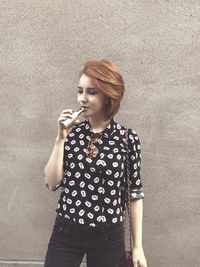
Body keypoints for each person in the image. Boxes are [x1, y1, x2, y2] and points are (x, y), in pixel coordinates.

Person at [43, 59, 147, 267]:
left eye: (91, 92)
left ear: (109, 95)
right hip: (67, 230)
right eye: (80, 91)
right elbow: (52, 182)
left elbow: (134, 195)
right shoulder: (72, 134)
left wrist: (138, 247)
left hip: (108, 236)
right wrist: (60, 138)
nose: (83, 98)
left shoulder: (127, 139)